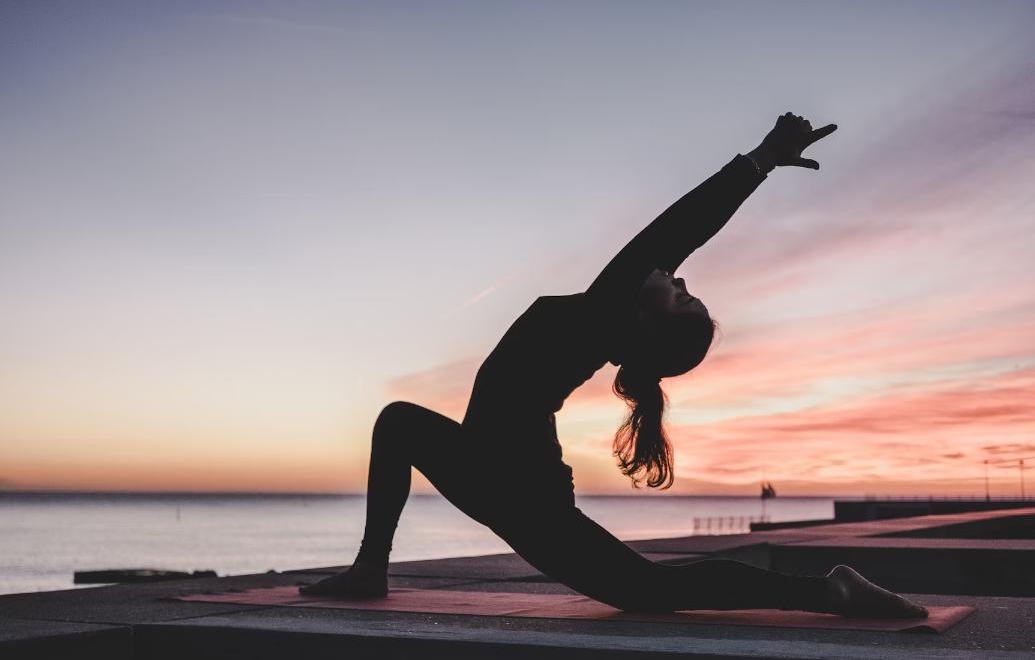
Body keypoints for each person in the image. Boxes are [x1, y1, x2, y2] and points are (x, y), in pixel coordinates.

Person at [301, 113, 928, 618]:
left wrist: (760, 161)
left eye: (681, 294)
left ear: (648, 324)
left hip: (518, 491)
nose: (677, 276)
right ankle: (370, 570)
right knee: (397, 423)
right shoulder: (602, 321)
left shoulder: (606, 313)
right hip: (489, 468)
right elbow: (676, 240)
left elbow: (681, 227)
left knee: (649, 594)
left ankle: (826, 591)